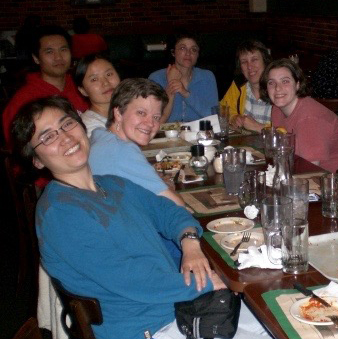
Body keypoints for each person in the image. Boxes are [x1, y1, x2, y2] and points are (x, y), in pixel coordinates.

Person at [11, 96, 270, 339]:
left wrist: (190, 242)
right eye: (48, 137)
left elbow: (167, 210)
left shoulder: (111, 184)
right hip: (149, 326)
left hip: (180, 306)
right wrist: (205, 283)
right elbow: (132, 278)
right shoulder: (60, 213)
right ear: (36, 160)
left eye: (66, 124)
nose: (65, 137)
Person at [88, 78, 185, 207]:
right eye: (141, 113)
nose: (150, 123)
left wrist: (156, 182)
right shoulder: (123, 150)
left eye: (156, 117)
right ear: (118, 113)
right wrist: (170, 191)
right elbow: (177, 206)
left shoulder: (100, 135)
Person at [264, 58, 338, 177]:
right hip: (318, 177)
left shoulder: (309, 117)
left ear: (297, 84)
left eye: (285, 81)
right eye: (271, 82)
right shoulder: (276, 110)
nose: (277, 88)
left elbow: (310, 173)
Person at [3, 25, 89, 149]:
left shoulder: (83, 85)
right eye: (49, 51)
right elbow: (16, 150)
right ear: (36, 58)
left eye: (63, 49)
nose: (58, 57)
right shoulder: (23, 100)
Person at [149, 33, 218, 123]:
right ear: (173, 52)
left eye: (194, 50)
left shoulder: (207, 77)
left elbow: (214, 116)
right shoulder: (156, 78)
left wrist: (186, 93)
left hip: (199, 133)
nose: (188, 53)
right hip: (166, 134)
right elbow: (152, 118)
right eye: (182, 48)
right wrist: (171, 85)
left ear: (198, 54)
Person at [220, 40, 272, 132]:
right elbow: (223, 108)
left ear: (265, 61)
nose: (249, 66)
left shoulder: (278, 89)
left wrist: (258, 126)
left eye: (254, 59)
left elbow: (288, 131)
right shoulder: (238, 85)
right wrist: (234, 117)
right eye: (244, 62)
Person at [74, 54, 121, 137]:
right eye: (94, 79)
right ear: (83, 90)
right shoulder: (89, 127)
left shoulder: (132, 110)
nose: (106, 83)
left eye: (109, 74)